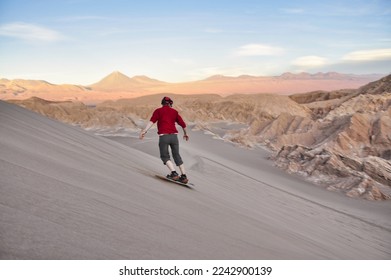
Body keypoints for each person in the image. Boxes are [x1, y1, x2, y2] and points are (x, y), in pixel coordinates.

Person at [139, 96, 189, 183]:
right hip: (174, 137)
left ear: (162, 103)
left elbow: (152, 122)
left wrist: (144, 131)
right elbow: (183, 124)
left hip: (164, 137)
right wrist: (185, 134)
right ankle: (184, 176)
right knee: (177, 155)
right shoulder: (174, 112)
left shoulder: (158, 111)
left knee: (164, 156)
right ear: (170, 103)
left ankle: (174, 173)